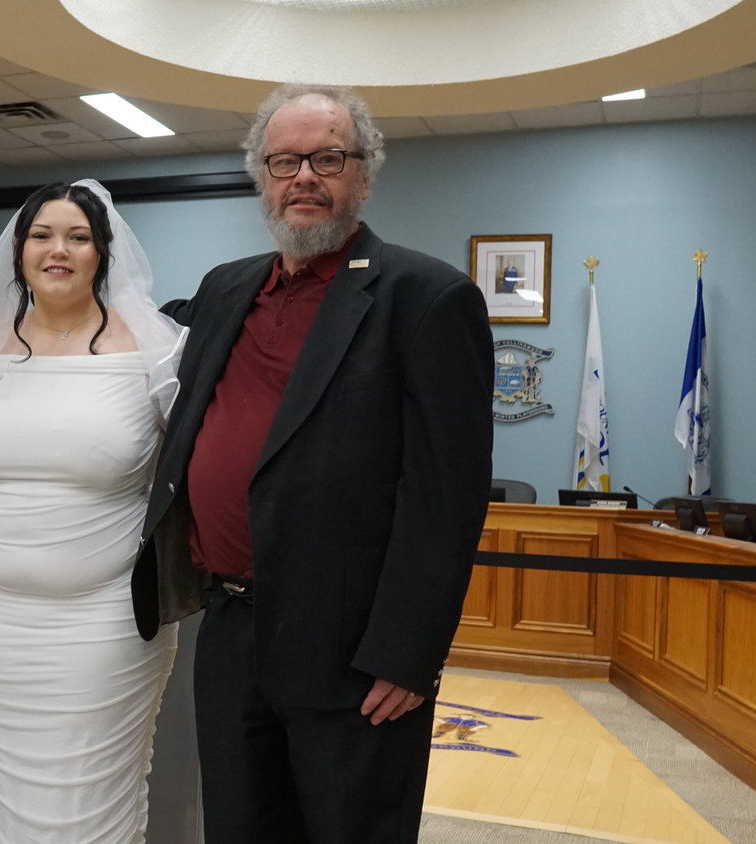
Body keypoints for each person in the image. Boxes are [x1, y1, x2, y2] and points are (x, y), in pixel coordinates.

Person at [130, 84, 494, 843]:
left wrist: (410, 652)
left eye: (327, 158)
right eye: (284, 161)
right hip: (229, 631)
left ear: (363, 174)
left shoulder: (427, 297)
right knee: (238, 825)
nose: (304, 177)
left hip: (353, 648)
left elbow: (444, 497)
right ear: (261, 177)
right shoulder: (226, 288)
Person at [0, 180, 187, 843]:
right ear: (18, 250)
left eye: (78, 237)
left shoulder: (158, 350)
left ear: (103, 252)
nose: (58, 250)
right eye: (42, 235)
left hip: (106, 617)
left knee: (91, 799)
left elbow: (190, 472)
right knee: (10, 793)